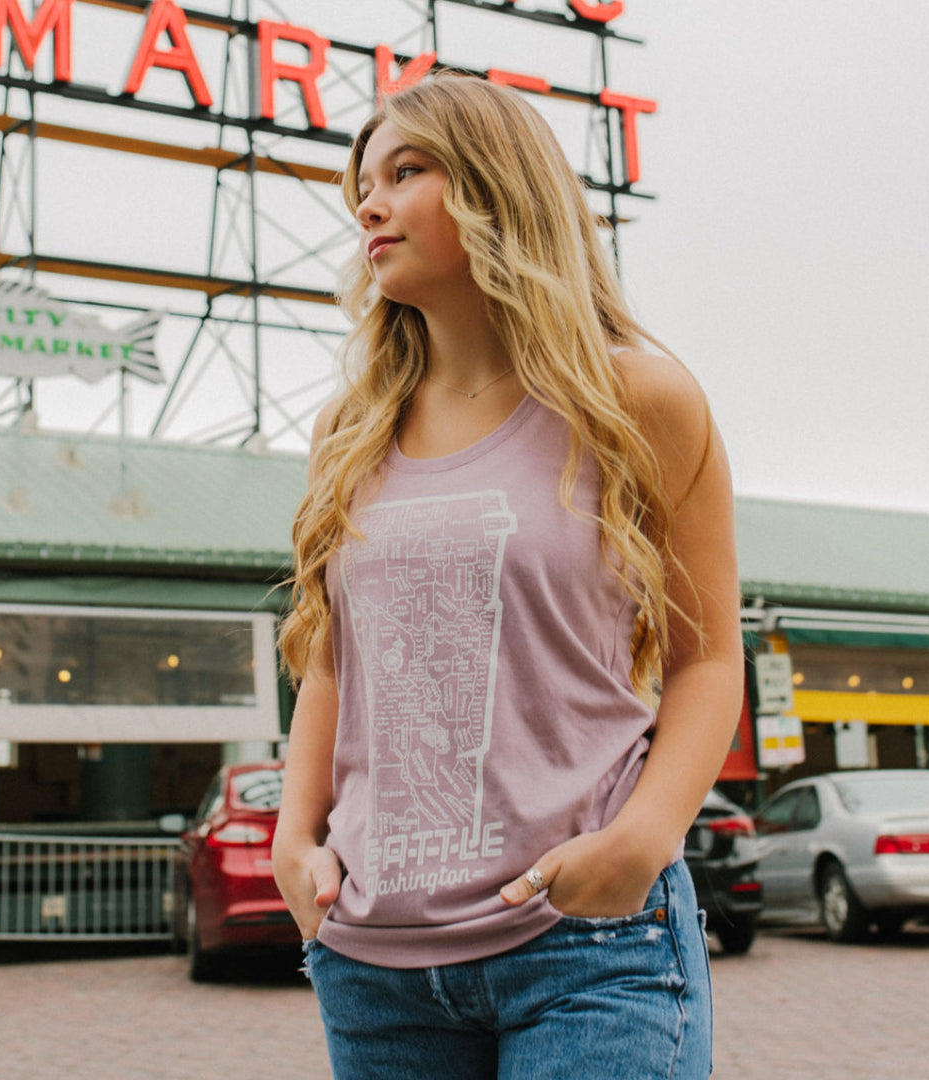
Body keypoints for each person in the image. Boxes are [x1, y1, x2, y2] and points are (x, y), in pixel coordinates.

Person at [272, 72, 744, 1080]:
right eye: (364, 181)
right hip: (375, 963)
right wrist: (291, 839)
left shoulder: (639, 400)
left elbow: (707, 663)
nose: (369, 202)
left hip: (583, 947)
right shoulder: (347, 433)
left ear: (498, 188)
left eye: (408, 171)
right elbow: (332, 663)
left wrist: (645, 841)